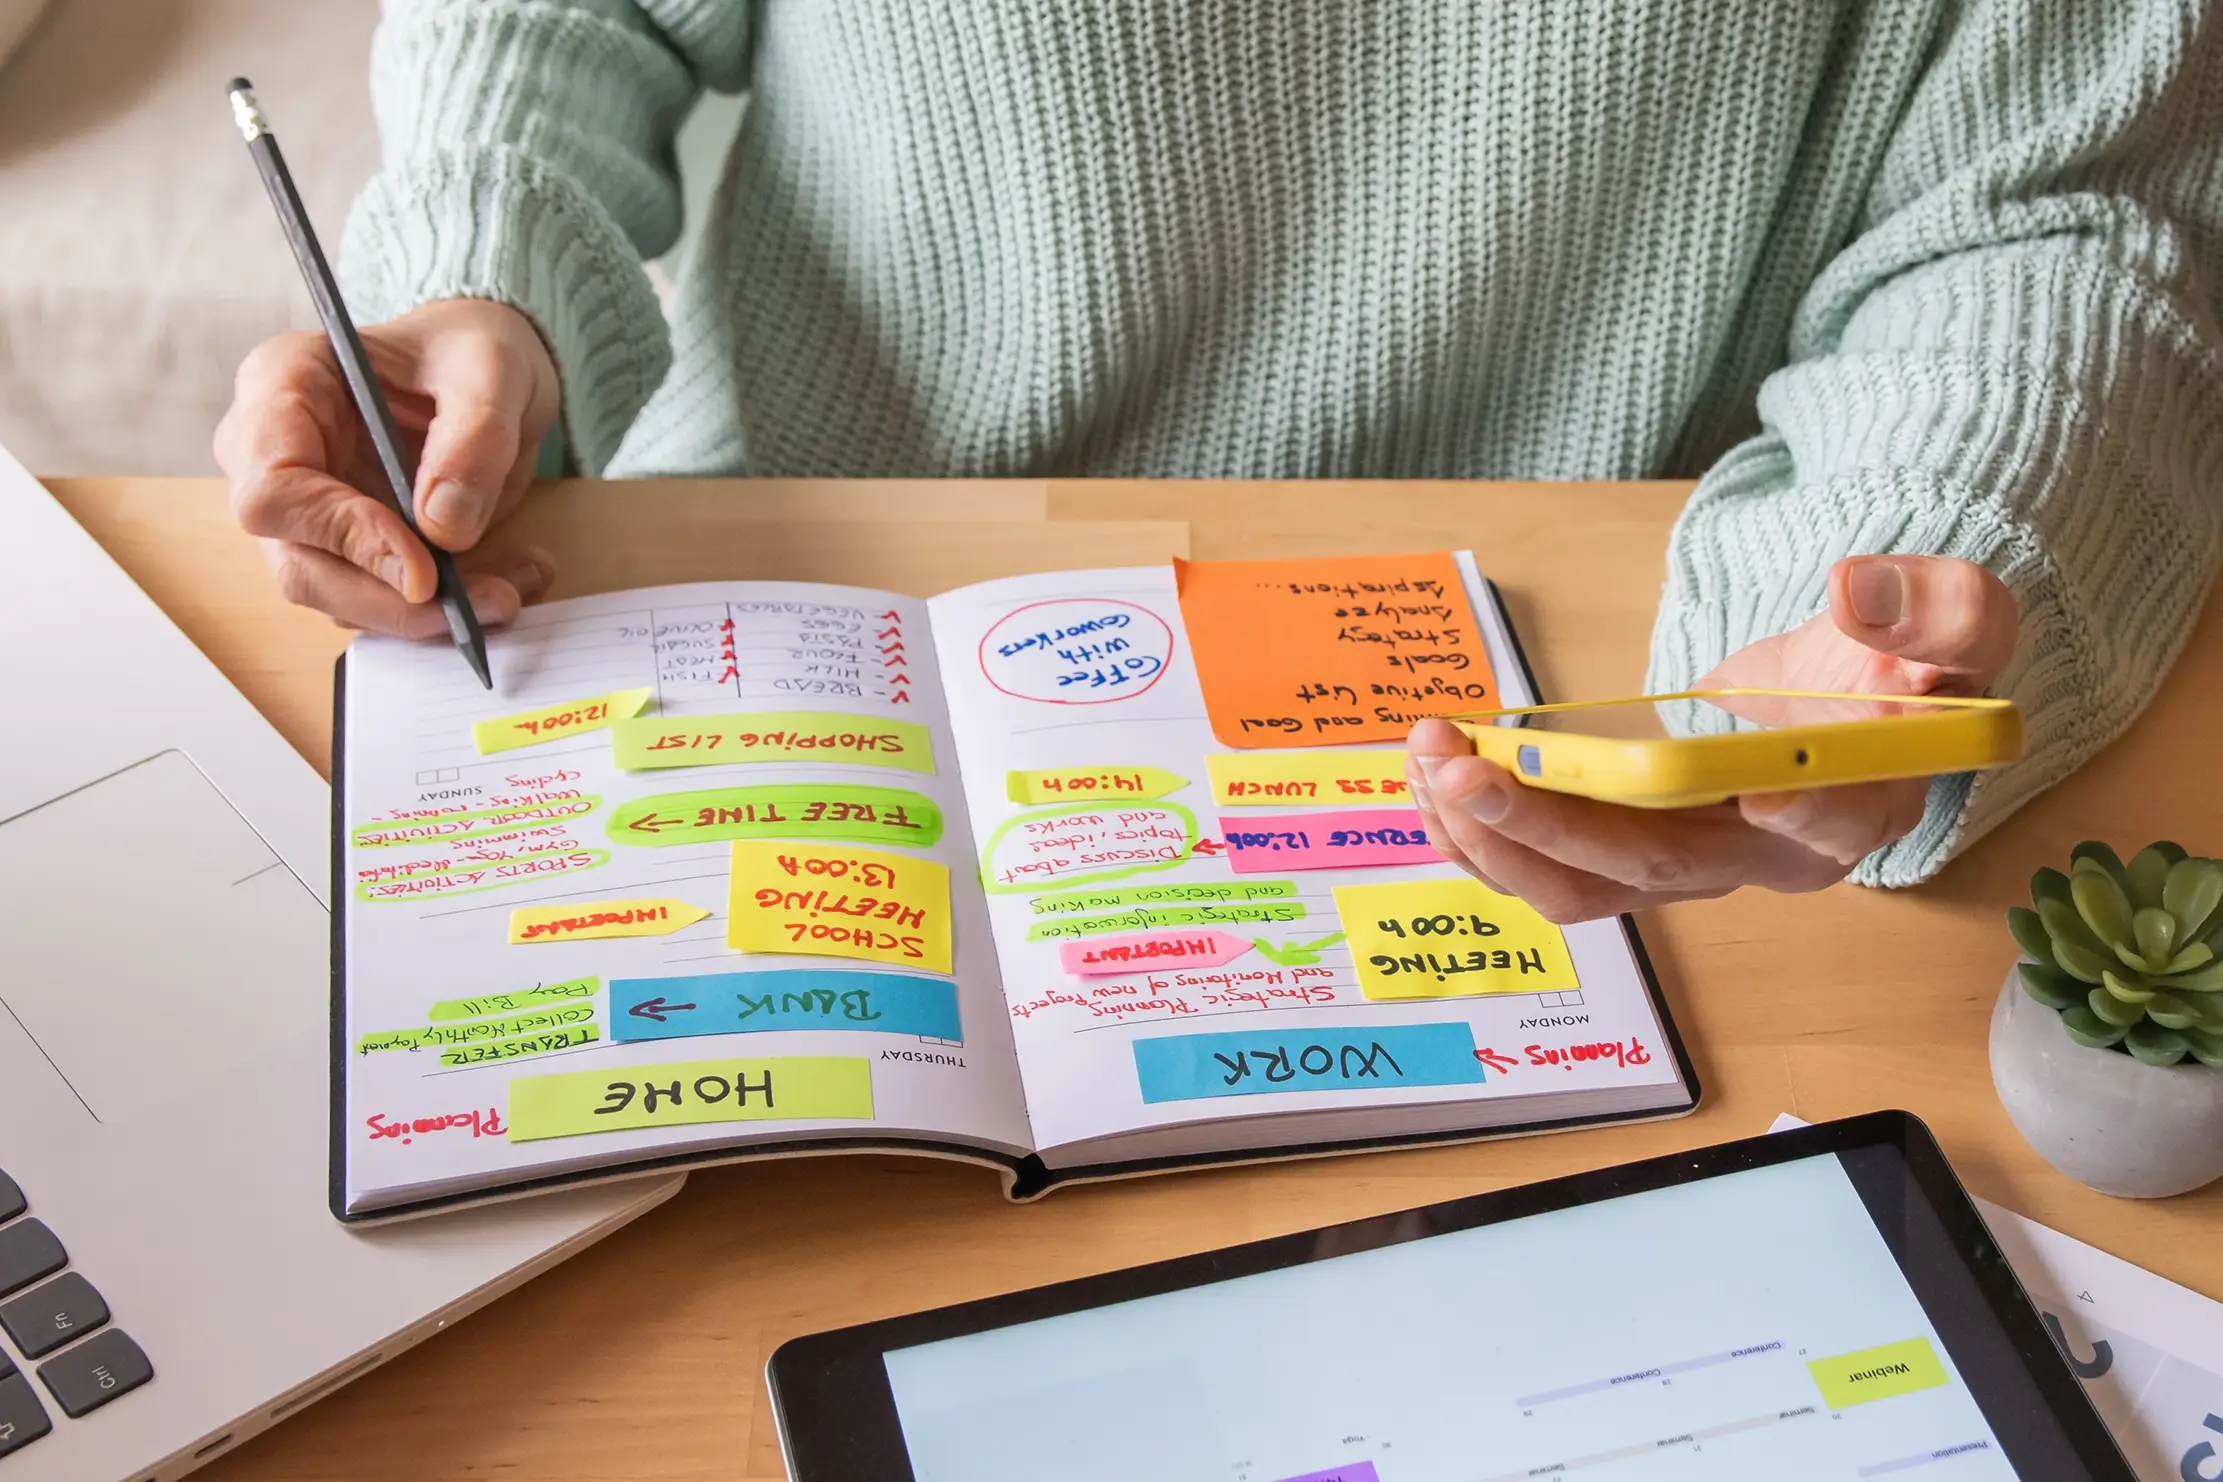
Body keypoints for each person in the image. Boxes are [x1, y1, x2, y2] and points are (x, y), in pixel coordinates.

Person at [215, 1, 2222, 914]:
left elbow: (2064, 210)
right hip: (802, 584)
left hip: (1593, 693)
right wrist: (478, 277)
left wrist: (1901, 580)